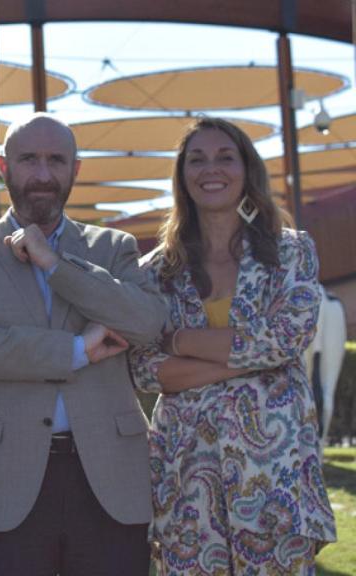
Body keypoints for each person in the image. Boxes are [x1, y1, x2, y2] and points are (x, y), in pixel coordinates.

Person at [0, 113, 166, 575]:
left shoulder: (113, 247)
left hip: (109, 479)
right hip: (2, 480)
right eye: (28, 159)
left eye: (56, 160)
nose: (42, 174)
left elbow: (145, 323)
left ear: (75, 169)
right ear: (3, 166)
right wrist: (76, 351)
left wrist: (54, 263)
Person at [129, 117, 337, 575]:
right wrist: (252, 360)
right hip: (185, 478)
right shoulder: (154, 271)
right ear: (182, 175)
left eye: (226, 157)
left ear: (247, 168)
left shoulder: (291, 252)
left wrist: (180, 341)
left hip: (276, 478)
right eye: (197, 159)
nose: (211, 168)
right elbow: (144, 368)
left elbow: (287, 337)